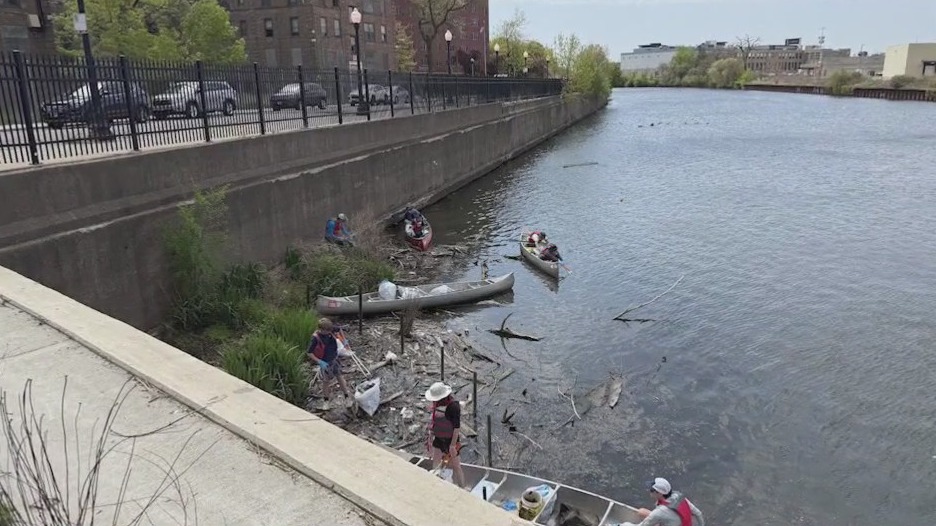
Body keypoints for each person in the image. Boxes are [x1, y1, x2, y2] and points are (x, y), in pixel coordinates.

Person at [424, 382, 466, 488]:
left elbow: (456, 428)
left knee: (456, 466)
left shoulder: (453, 407)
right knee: (436, 463)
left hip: (450, 439)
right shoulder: (436, 405)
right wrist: (429, 439)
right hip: (438, 438)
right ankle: (436, 486)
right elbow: (433, 422)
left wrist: (452, 446)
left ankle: (463, 488)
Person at [307, 317, 353, 410]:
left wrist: (344, 340)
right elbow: (309, 353)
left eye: (330, 330)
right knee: (325, 382)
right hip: (325, 362)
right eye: (327, 331)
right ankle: (326, 401)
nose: (329, 332)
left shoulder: (330, 329)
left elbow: (339, 329)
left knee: (340, 377)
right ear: (321, 329)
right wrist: (319, 361)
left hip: (334, 359)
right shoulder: (315, 338)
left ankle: (347, 397)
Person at [622, 478, 705, 526]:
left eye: (652, 490)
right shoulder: (679, 497)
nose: (649, 491)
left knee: (626, 524)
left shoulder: (659, 512)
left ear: (659, 493)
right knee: (642, 512)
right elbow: (698, 513)